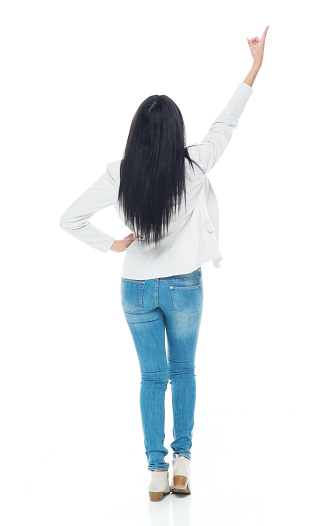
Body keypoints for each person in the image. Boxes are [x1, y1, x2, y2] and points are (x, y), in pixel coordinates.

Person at [59, 25, 269, 502]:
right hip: (183, 288)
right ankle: (182, 465)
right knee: (183, 373)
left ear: (136, 132)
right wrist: (254, 69)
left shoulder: (119, 173)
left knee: (152, 378)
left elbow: (69, 218)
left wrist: (112, 245)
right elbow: (226, 124)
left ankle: (155, 473)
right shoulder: (194, 166)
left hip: (135, 288)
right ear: (177, 131)